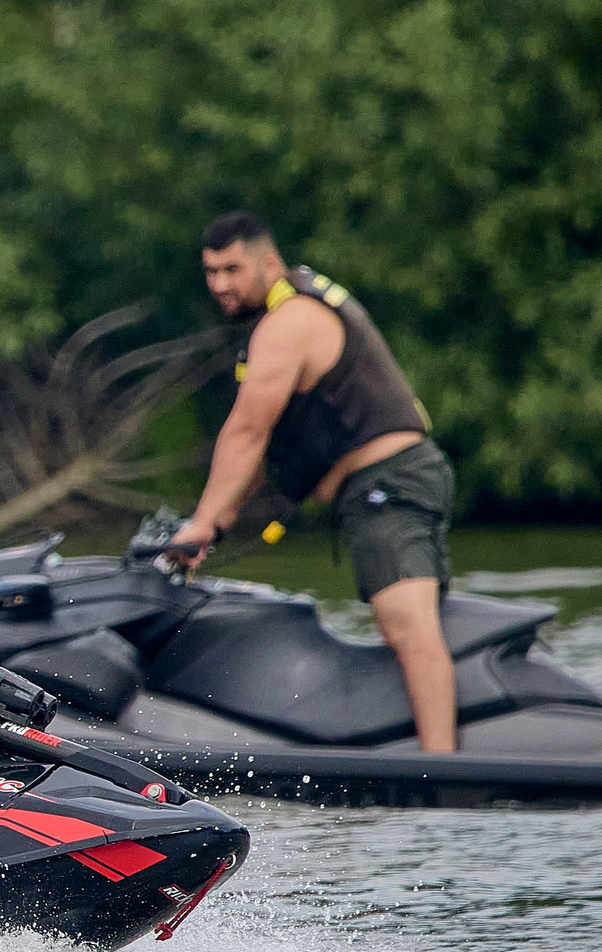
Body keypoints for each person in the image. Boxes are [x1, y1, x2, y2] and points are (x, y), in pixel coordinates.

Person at [170, 211, 458, 751]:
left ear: (269, 263)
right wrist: (219, 523)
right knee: (406, 622)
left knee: (404, 622)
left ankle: (442, 777)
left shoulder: (290, 321)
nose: (220, 284)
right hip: (385, 483)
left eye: (232, 268)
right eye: (211, 272)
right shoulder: (284, 313)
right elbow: (265, 444)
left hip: (391, 481)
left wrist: (202, 522)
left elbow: (248, 431)